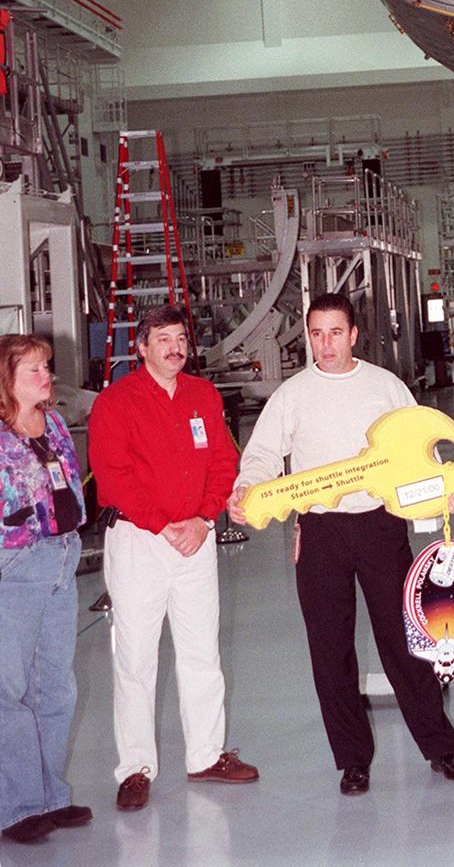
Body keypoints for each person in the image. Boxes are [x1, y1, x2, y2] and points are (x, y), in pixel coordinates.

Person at [228, 293, 454, 796]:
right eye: (316, 334)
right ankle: (352, 759)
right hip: (320, 533)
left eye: (335, 332)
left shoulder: (386, 388)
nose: (326, 344)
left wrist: (439, 501)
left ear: (354, 334)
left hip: (381, 527)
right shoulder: (291, 395)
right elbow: (263, 456)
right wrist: (246, 489)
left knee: (406, 643)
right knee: (330, 649)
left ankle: (439, 745)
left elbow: (419, 456)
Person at [89, 306, 258, 811]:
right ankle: (135, 768)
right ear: (141, 348)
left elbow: (225, 462)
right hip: (141, 542)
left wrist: (205, 520)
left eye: (180, 338)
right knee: (136, 658)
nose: (175, 347)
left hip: (195, 540)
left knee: (202, 651)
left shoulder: (203, 396)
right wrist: (164, 525)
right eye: (163, 339)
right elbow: (113, 476)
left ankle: (206, 755)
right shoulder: (115, 403)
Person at [0, 335, 91, 845]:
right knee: (6, 690)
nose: (45, 375)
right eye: (33, 368)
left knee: (56, 686)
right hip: (14, 564)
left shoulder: (53, 423)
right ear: (6, 379)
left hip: (61, 559)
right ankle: (16, 806)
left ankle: (51, 795)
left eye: (45, 366)